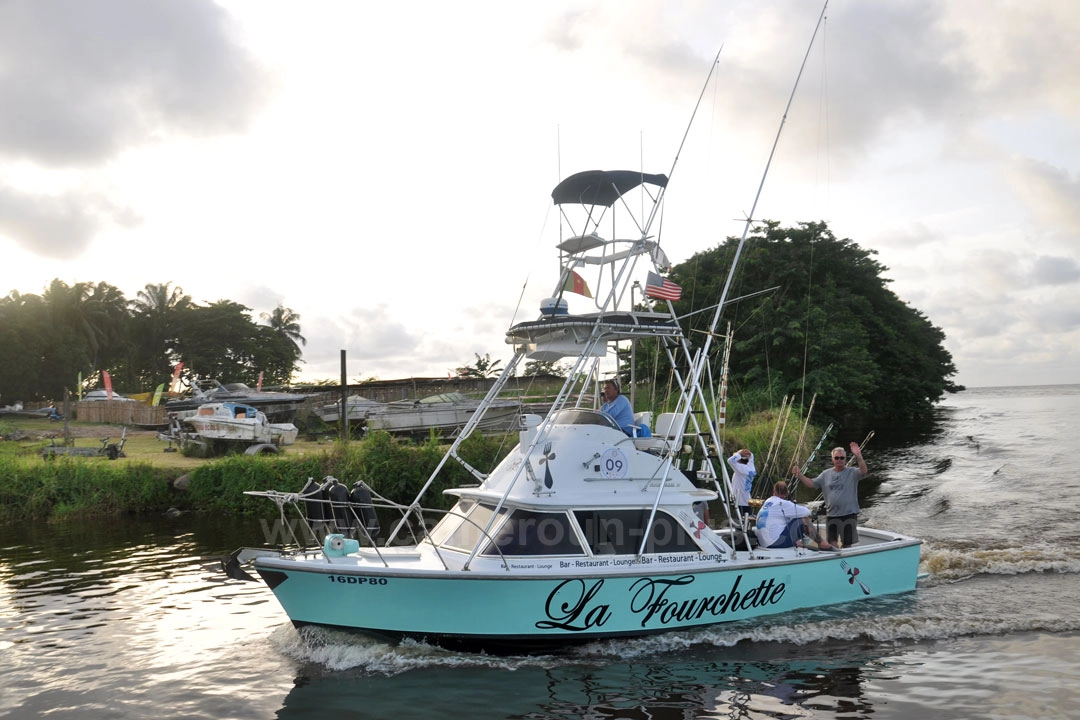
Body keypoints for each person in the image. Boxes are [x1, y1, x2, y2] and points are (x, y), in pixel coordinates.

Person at [791, 441, 868, 548]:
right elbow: (811, 484)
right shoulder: (825, 474)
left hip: (849, 514)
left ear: (845, 459)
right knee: (832, 542)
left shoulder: (852, 472)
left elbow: (864, 471)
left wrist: (859, 456)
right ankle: (836, 559)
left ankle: (845, 559)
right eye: (837, 458)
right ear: (832, 459)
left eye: (842, 458)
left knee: (847, 543)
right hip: (832, 515)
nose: (839, 460)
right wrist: (799, 475)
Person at [754, 481, 812, 549]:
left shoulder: (768, 501)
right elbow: (806, 512)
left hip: (763, 543)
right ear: (786, 493)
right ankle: (820, 543)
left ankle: (797, 543)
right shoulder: (783, 503)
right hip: (776, 543)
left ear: (774, 491)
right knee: (803, 520)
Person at [726, 448, 756, 518]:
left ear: (740, 459)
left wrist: (740, 453)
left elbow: (730, 461)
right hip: (746, 499)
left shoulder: (741, 469)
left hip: (739, 500)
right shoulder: (751, 468)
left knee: (739, 521)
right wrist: (750, 454)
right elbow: (751, 459)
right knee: (747, 519)